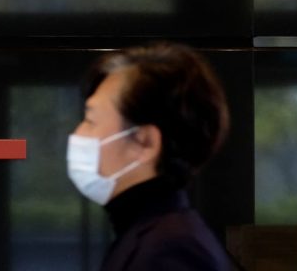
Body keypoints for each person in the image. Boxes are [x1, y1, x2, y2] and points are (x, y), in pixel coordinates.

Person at [68, 42, 231, 270]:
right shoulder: (150, 234)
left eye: (90, 120)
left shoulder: (170, 251)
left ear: (145, 142)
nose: (78, 133)